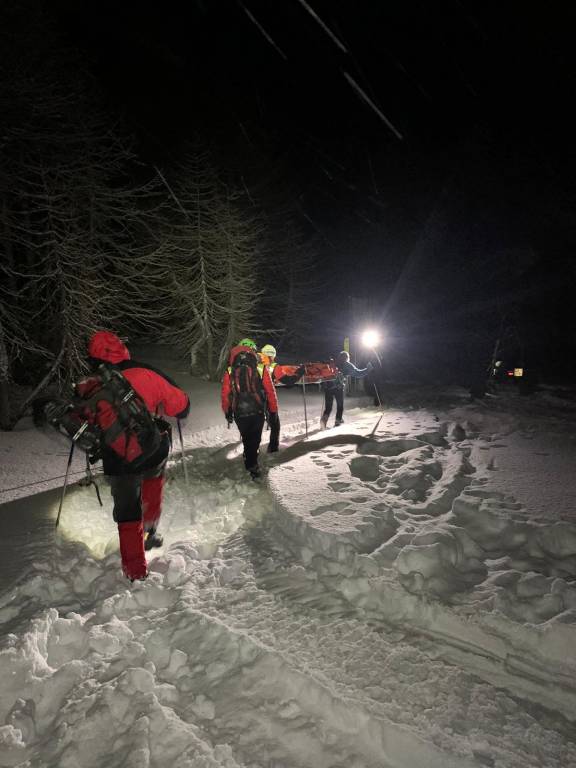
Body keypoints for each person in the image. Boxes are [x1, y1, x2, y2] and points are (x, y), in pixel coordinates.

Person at [37, 330, 190, 581]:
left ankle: (135, 571)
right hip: (152, 446)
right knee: (153, 477)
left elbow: (82, 425)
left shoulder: (90, 386)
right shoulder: (146, 373)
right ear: (122, 350)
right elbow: (181, 405)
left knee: (127, 512)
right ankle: (151, 529)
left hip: (118, 459)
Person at [221, 338, 278, 478]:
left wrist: (227, 411)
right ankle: (252, 465)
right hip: (257, 409)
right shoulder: (260, 368)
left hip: (239, 411)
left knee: (247, 438)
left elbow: (225, 394)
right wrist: (273, 410)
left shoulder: (230, 370)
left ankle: (249, 458)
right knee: (255, 438)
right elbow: (270, 392)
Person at [258, 343, 305, 452]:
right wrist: (299, 373)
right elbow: (288, 381)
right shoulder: (274, 366)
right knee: (275, 425)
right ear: (273, 355)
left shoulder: (255, 364)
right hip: (266, 399)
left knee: (256, 425)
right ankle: (273, 449)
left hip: (252, 398)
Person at [321, 350, 372, 428]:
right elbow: (358, 374)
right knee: (340, 405)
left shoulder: (333, 363)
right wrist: (368, 369)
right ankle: (338, 420)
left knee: (328, 407)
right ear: (347, 358)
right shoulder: (347, 365)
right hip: (338, 388)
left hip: (328, 387)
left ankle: (324, 420)